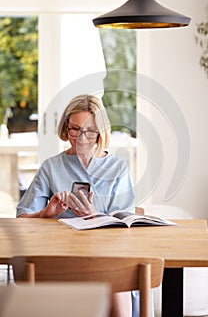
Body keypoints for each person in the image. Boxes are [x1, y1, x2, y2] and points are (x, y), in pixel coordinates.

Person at [16, 94, 135, 317]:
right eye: (74, 129)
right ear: (65, 127)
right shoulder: (51, 167)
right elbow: (22, 219)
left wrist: (96, 216)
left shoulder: (117, 168)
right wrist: (45, 213)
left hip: (107, 259)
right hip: (61, 258)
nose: (81, 138)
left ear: (101, 131)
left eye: (90, 130)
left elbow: (128, 227)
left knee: (117, 279)